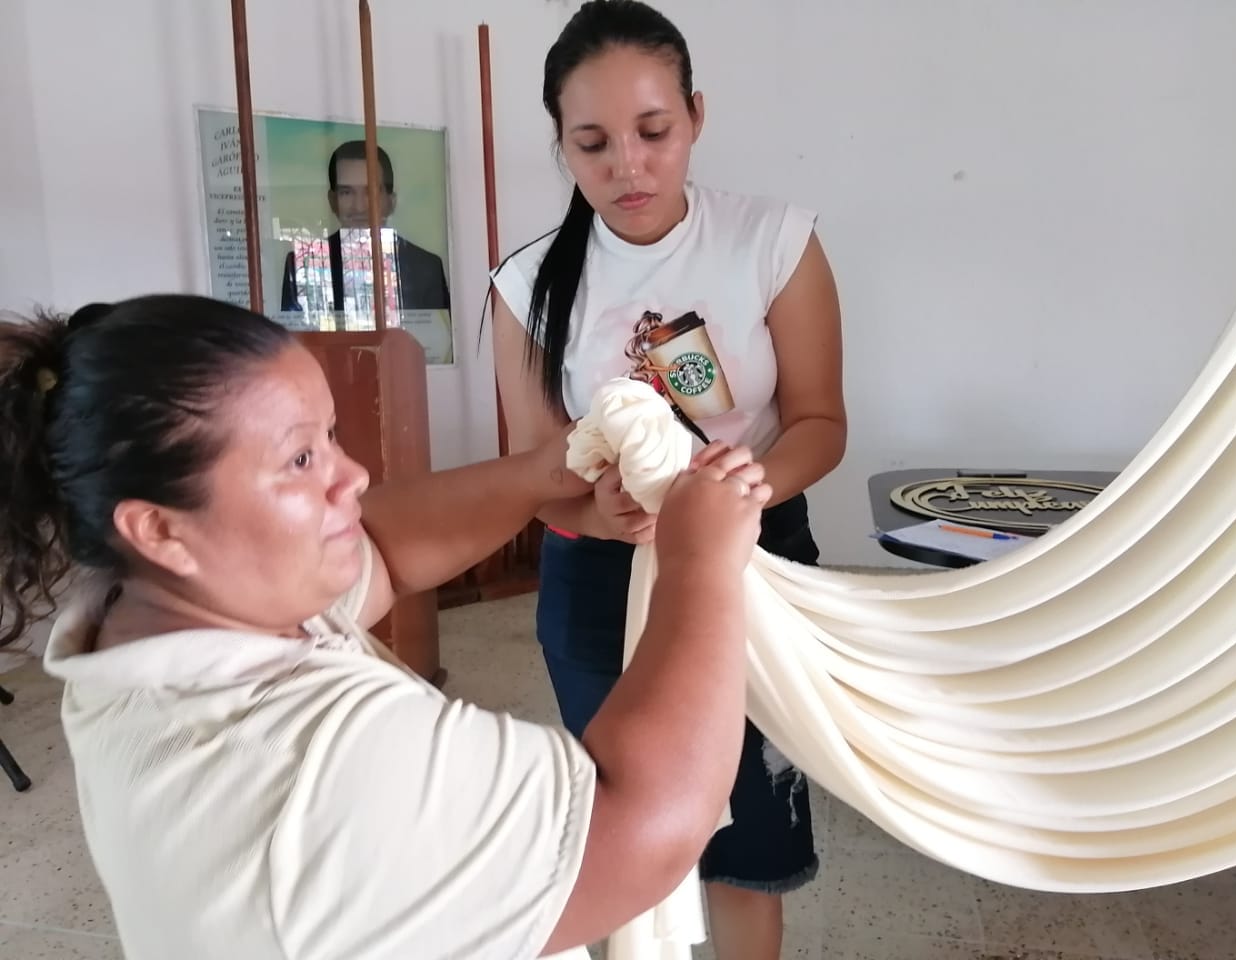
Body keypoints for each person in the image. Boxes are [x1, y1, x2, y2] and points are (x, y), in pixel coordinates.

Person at [0, 294, 774, 960]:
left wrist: (553, 468)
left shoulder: (142, 618)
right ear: (160, 528)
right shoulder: (318, 760)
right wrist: (700, 562)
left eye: (331, 436)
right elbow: (642, 826)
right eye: (299, 460)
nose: (352, 475)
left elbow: (382, 548)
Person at [490, 2, 847, 956]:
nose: (628, 166)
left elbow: (820, 423)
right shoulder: (527, 286)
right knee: (624, 840)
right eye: (593, 143)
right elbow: (539, 470)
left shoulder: (773, 242)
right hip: (601, 575)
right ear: (561, 144)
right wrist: (601, 510)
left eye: (654, 131)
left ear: (695, 115)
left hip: (755, 559)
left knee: (749, 837)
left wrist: (739, 491)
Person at [281, 140, 451, 314]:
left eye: (370, 192)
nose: (359, 207)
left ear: (391, 201)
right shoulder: (301, 265)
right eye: (346, 192)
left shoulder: (426, 267)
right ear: (332, 201)